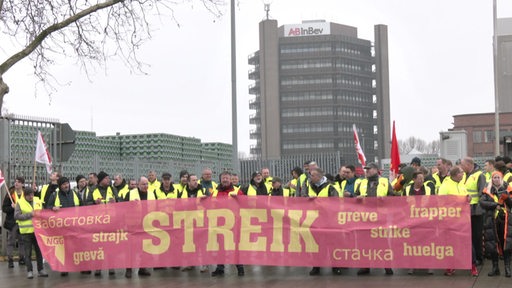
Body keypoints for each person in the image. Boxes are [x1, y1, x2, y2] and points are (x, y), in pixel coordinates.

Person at [354, 162, 394, 276]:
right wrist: (357, 197)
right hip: (365, 217)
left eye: (369, 169)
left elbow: (393, 196)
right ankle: (365, 266)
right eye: (366, 169)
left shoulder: (385, 182)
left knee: (383, 243)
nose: (367, 171)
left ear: (376, 170)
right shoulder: (361, 183)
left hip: (380, 217)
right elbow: (354, 197)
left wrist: (385, 199)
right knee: (363, 243)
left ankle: (387, 266)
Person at [305, 167, 340, 276]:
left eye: (313, 175)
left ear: (319, 176)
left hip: (329, 221)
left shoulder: (331, 187)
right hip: (315, 220)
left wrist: (319, 203)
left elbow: (336, 203)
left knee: (332, 244)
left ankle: (336, 267)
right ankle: (316, 266)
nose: (311, 177)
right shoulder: (309, 186)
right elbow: (302, 199)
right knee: (316, 245)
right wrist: (307, 199)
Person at [47, 176, 83, 276]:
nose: (66, 185)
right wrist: (52, 208)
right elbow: (47, 208)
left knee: (78, 247)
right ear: (60, 186)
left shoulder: (75, 194)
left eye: (67, 183)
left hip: (75, 225)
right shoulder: (55, 195)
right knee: (64, 249)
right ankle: (64, 268)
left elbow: (83, 206)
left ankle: (82, 267)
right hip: (61, 227)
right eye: (63, 184)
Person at [211, 171, 244, 277]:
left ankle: (240, 267)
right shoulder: (215, 192)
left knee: (235, 246)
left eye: (227, 178)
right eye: (223, 178)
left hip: (234, 223)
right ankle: (220, 268)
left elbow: (245, 204)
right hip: (220, 223)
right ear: (220, 179)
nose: (225, 180)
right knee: (220, 246)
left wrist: (238, 199)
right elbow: (210, 206)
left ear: (230, 179)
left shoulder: (237, 191)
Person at [438, 166, 469, 276]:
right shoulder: (445, 186)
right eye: (461, 172)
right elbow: (439, 202)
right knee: (450, 244)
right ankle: (449, 267)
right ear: (456, 174)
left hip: (462, 219)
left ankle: (463, 264)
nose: (463, 174)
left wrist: (467, 199)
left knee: (461, 243)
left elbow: (465, 198)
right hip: (449, 220)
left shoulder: (462, 184)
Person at [480, 171, 512, 277]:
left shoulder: (508, 189)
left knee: (506, 244)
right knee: (493, 244)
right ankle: (495, 268)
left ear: (501, 178)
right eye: (494, 178)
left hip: (506, 220)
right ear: (492, 179)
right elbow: (482, 202)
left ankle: (507, 268)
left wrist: (507, 199)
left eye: (498, 177)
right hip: (491, 220)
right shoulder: (487, 190)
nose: (496, 179)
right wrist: (495, 205)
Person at [124, 176, 157, 278]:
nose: (145, 186)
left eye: (147, 184)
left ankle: (142, 268)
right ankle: (128, 269)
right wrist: (131, 206)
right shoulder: (130, 194)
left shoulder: (152, 194)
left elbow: (156, 208)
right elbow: (122, 208)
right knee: (131, 248)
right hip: (133, 225)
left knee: (145, 247)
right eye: (143, 184)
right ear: (138, 184)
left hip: (147, 224)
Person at [14, 187, 48, 279]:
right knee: (27, 252)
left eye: (32, 194)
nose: (31, 196)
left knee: (39, 251)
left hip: (38, 231)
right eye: (29, 195)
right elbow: (17, 216)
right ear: (25, 195)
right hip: (26, 232)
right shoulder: (20, 203)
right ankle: (30, 271)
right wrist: (30, 214)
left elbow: (43, 212)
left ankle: (40, 270)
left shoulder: (37, 200)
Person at [461, 157, 485, 275]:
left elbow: (482, 193)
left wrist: (479, 209)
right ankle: (473, 258)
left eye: (463, 165)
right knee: (470, 236)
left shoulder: (479, 175)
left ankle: (479, 258)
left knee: (477, 235)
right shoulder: (466, 175)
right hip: (467, 211)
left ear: (469, 164)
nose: (461, 167)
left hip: (476, 211)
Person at [92, 171, 117, 276]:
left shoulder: (112, 189)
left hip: (111, 221)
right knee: (99, 246)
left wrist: (115, 201)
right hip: (98, 222)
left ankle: (111, 267)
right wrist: (94, 203)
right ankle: (98, 268)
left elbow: (120, 201)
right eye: (106, 178)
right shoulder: (93, 190)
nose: (108, 180)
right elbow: (86, 204)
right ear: (101, 180)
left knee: (111, 246)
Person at [2, 176, 26, 268]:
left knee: (22, 241)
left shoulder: (26, 193)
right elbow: (4, 208)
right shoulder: (10, 194)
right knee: (11, 241)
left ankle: (22, 258)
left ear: (22, 184)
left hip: (23, 221)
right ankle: (10, 260)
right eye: (15, 181)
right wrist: (11, 208)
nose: (16, 183)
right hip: (12, 222)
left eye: (19, 182)